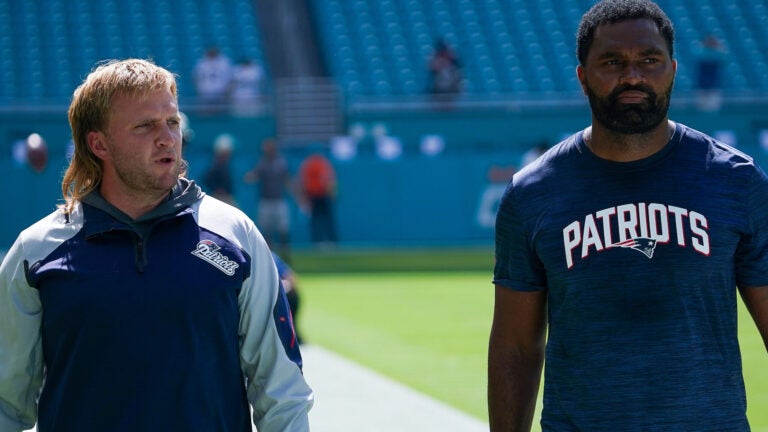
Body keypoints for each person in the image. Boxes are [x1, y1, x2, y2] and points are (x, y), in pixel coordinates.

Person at [488, 1, 768, 431]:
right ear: (583, 77)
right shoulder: (533, 193)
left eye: (649, 61)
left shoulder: (736, 180)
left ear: (672, 70)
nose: (632, 76)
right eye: (612, 62)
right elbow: (516, 347)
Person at [0, 59, 312, 432]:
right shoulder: (36, 252)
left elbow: (282, 395)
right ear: (98, 143)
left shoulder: (235, 235)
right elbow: (6, 403)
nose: (167, 138)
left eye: (173, 122)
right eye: (145, 126)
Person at [243, 137, 294, 261]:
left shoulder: (281, 162)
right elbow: (254, 175)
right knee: (266, 232)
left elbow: (287, 180)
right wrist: (250, 177)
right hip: (266, 201)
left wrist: (296, 193)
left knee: (283, 230)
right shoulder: (262, 162)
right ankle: (269, 258)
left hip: (279, 200)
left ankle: (285, 256)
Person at [298, 151, 338, 246]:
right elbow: (303, 182)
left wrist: (331, 192)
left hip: (323, 195)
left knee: (326, 220)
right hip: (314, 196)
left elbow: (330, 180)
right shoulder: (311, 165)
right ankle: (318, 241)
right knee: (317, 220)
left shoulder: (320, 164)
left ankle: (330, 241)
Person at [272, 252, 303, 344]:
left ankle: (293, 331)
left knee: (292, 294)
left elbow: (292, 278)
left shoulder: (272, 257)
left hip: (281, 294)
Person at [694, 34, 727, 112]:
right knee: (701, 110)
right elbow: (697, 55)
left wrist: (718, 47)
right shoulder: (701, 52)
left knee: (713, 110)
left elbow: (725, 56)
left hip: (714, 87)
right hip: (702, 87)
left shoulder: (718, 53)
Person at [194, 46, 234, 111]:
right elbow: (196, 78)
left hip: (220, 92)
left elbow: (230, 78)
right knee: (207, 112)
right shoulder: (202, 63)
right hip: (206, 92)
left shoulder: (202, 63)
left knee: (221, 113)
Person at [202, 133, 237, 205]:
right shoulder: (216, 165)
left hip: (226, 196)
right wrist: (217, 190)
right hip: (221, 198)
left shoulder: (223, 164)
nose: (230, 154)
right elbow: (206, 179)